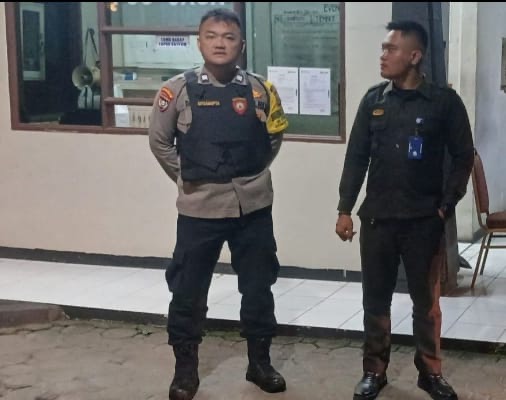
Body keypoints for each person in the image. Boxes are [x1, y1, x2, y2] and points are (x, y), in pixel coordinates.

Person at [148, 8, 288, 400]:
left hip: (253, 208)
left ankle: (260, 363)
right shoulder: (177, 90)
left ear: (241, 44)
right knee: (188, 290)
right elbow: (159, 141)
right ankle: (185, 371)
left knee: (258, 287)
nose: (220, 43)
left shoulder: (261, 90)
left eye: (229, 37)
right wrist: (188, 175)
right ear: (200, 43)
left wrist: (248, 174)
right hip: (199, 209)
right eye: (212, 36)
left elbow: (273, 137)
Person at [335, 21, 474, 400]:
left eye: (390, 49)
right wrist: (345, 208)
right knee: (375, 300)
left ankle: (430, 373)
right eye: (383, 48)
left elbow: (463, 157)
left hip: (423, 221)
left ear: (414, 56)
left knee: (426, 304)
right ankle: (374, 371)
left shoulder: (443, 103)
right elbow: (356, 158)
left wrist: (446, 206)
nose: (382, 55)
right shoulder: (373, 101)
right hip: (378, 219)